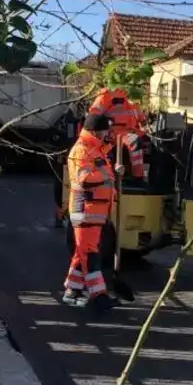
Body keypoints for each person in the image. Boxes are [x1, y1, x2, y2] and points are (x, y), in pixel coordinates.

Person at [63, 114, 122, 313]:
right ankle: (99, 295)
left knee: (82, 253)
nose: (108, 133)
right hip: (85, 211)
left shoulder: (95, 150)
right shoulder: (82, 150)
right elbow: (83, 178)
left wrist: (115, 170)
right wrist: (108, 174)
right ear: (97, 130)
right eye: (105, 130)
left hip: (94, 212)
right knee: (89, 254)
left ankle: (72, 290)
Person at [87, 88, 147, 180]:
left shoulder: (132, 93)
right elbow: (94, 115)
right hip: (112, 134)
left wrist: (144, 125)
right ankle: (112, 177)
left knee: (137, 141)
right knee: (134, 141)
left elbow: (140, 116)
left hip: (129, 132)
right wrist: (106, 127)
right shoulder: (107, 94)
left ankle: (138, 177)